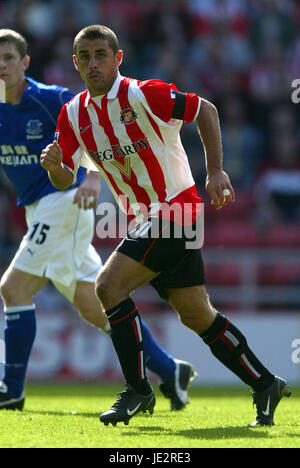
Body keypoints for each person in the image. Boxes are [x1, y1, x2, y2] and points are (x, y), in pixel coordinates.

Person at [40, 24, 291, 427]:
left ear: (117, 58)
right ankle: (264, 383)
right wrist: (55, 168)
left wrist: (215, 171)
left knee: (107, 286)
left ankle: (138, 391)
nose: (93, 63)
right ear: (75, 63)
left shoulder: (144, 94)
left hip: (177, 211)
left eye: (101, 54)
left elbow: (204, 109)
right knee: (196, 315)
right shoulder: (72, 115)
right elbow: (66, 178)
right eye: (84, 57)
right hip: (145, 221)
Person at [0, 29, 196, 412]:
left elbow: (91, 123)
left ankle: (12, 388)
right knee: (93, 305)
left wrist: (91, 179)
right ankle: (170, 369)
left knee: (14, 288)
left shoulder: (47, 98)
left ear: (25, 63)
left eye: (8, 58)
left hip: (63, 201)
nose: (1, 66)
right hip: (37, 207)